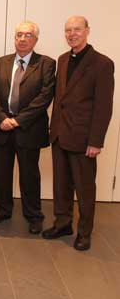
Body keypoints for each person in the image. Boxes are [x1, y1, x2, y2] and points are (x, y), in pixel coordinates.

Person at [42, 16, 114, 251]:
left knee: (84, 188)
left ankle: (84, 232)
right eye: (68, 30)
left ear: (87, 31)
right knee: (61, 184)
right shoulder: (63, 60)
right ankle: (63, 223)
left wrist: (96, 141)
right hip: (60, 134)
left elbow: (104, 107)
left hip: (83, 139)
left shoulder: (102, 63)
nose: (72, 34)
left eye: (77, 30)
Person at [0, 21, 56, 234]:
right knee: (2, 173)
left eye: (28, 35)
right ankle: (3, 208)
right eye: (19, 35)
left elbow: (44, 97)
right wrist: (2, 118)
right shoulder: (1, 62)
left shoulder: (46, 64)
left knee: (29, 175)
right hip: (2, 127)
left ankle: (33, 214)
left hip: (29, 129)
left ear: (35, 39)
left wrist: (18, 120)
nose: (23, 39)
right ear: (14, 38)